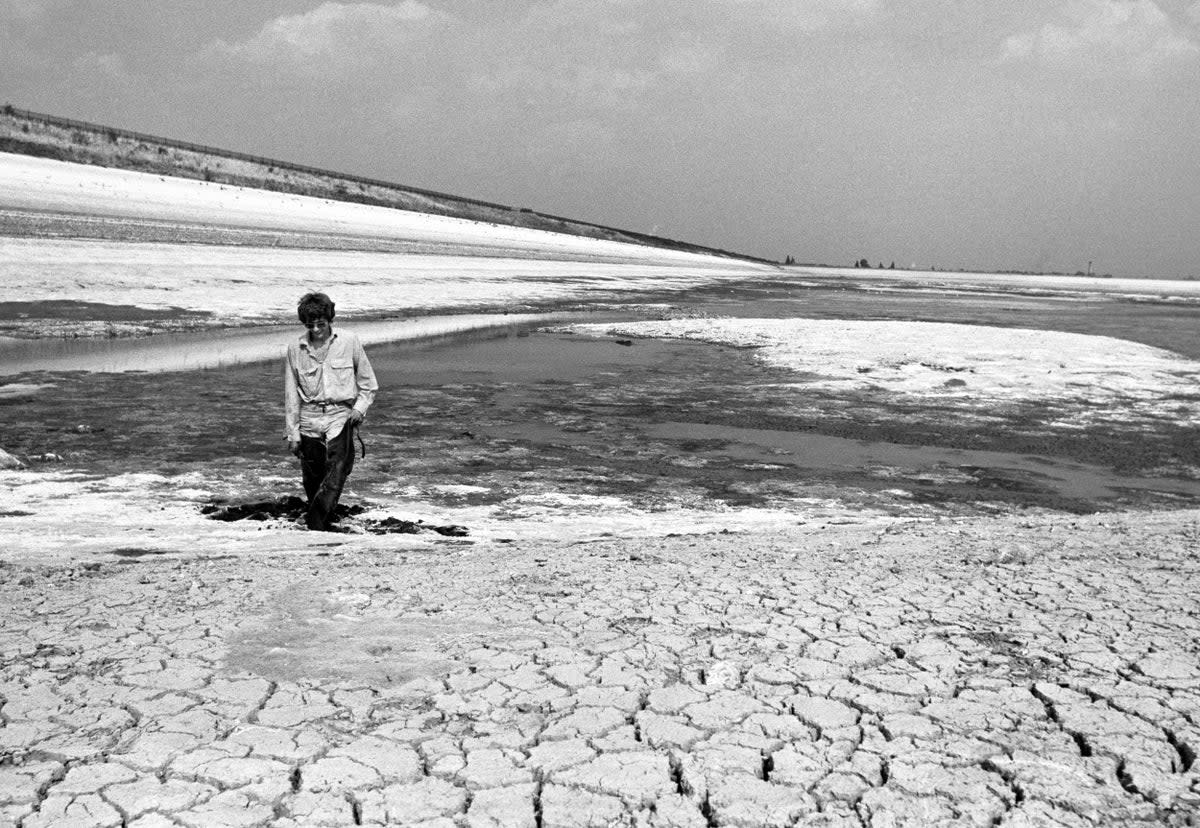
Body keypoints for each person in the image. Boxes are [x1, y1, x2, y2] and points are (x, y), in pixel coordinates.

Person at [283, 292, 378, 530]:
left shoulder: (350, 341)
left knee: (338, 470)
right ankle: (322, 521)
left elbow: (369, 385)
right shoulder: (295, 348)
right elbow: (291, 395)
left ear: (330, 319)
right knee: (312, 478)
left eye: (321, 324)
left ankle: (316, 524)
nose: (316, 329)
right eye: (310, 325)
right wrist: (292, 433)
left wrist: (359, 409)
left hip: (341, 416)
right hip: (309, 418)